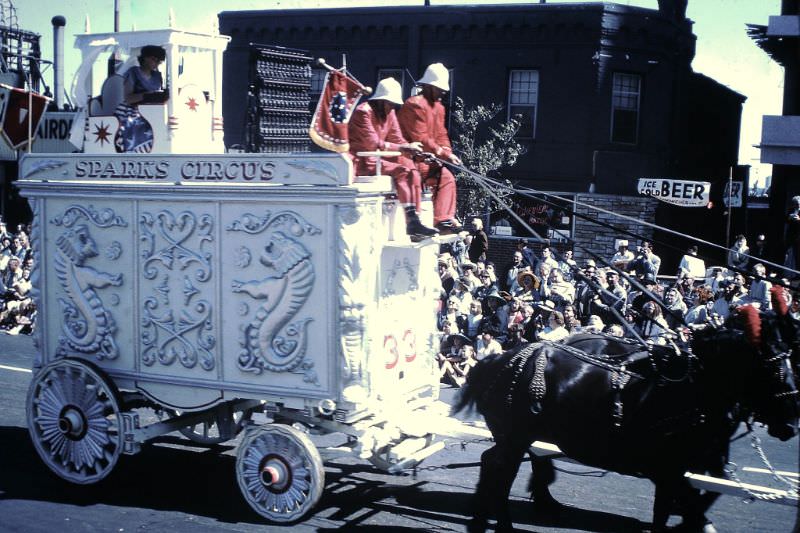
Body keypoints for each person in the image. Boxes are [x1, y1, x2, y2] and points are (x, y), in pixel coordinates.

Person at [349, 77, 438, 242]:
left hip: (377, 160)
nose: (392, 107)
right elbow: (372, 143)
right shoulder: (364, 111)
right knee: (402, 171)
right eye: (389, 103)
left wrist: (418, 152)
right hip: (362, 162)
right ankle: (411, 220)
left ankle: (414, 220)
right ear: (380, 100)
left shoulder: (389, 113)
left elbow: (398, 139)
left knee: (412, 171)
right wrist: (404, 148)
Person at [397, 63, 462, 234]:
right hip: (409, 158)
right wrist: (442, 153)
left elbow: (441, 133)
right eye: (439, 89)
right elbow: (421, 137)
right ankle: (415, 224)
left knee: (447, 178)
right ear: (430, 86)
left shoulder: (439, 108)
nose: (442, 92)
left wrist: (448, 151)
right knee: (415, 177)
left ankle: (442, 220)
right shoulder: (414, 104)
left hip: (427, 160)